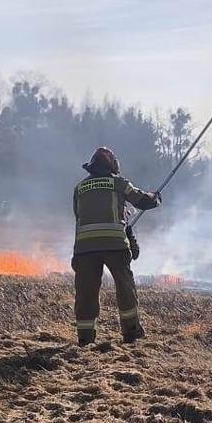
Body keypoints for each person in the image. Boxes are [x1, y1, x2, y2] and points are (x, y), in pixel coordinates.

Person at [72, 147, 159, 345]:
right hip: (115, 245)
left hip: (85, 248)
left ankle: (85, 338)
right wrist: (155, 198)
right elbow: (142, 201)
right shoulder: (119, 183)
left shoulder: (79, 188)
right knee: (124, 286)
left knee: (86, 292)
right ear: (113, 166)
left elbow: (79, 217)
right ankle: (131, 332)